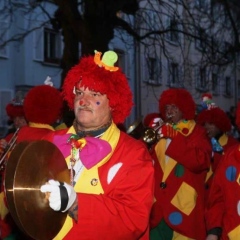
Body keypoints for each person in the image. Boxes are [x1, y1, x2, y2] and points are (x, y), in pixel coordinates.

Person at [40, 50, 155, 239]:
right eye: (79, 93)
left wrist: (75, 204)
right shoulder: (49, 142)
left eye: (94, 94)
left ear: (113, 103)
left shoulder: (134, 153)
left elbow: (133, 219)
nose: (83, 101)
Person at [150, 88, 212, 240]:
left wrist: (175, 138)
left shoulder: (197, 132)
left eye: (174, 107)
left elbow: (201, 161)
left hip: (183, 209)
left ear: (184, 109)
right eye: (167, 107)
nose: (170, 111)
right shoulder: (159, 132)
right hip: (158, 211)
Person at [205, 102, 240, 240]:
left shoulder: (229, 146)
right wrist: (213, 231)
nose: (208, 127)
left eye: (211, 124)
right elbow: (218, 197)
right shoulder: (231, 156)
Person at [197, 104, 238, 203]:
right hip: (202, 198)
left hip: (223, 197)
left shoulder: (232, 145)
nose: (206, 127)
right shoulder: (201, 143)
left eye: (211, 124)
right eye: (204, 124)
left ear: (220, 124)